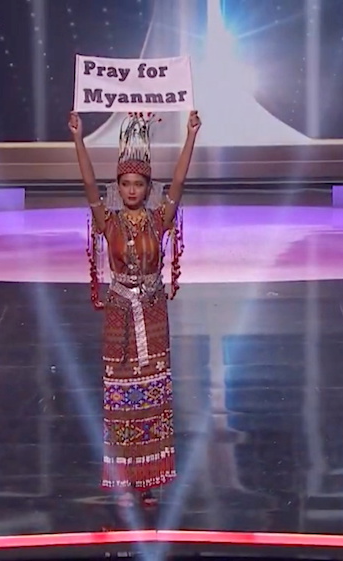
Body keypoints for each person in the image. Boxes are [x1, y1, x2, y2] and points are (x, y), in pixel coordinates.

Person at [68, 109, 201, 507]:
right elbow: (89, 184)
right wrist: (78, 138)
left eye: (138, 183)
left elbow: (178, 182)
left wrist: (191, 135)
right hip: (120, 316)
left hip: (153, 314)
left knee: (152, 396)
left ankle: (148, 481)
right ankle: (125, 480)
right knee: (121, 397)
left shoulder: (159, 219)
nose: (130, 190)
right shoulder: (106, 221)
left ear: (146, 186)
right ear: (119, 186)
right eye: (125, 183)